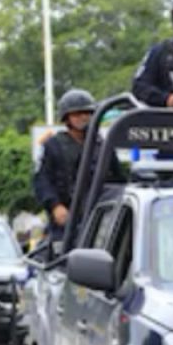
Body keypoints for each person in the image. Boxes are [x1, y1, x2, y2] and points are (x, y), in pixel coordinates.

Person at [33, 89, 103, 240]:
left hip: (98, 215)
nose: (83, 117)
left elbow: (117, 178)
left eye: (87, 113)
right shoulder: (53, 146)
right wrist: (55, 206)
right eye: (77, 114)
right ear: (67, 118)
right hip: (65, 219)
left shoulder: (101, 145)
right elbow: (42, 180)